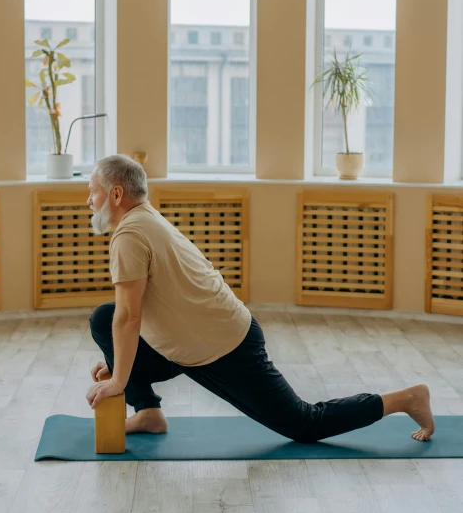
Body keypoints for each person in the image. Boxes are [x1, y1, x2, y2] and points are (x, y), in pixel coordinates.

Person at [85, 154, 435, 443]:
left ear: (117, 195)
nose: (89, 201)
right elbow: (130, 314)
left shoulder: (129, 235)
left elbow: (130, 318)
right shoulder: (145, 219)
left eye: (93, 192)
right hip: (188, 340)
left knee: (304, 424)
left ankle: (406, 398)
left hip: (224, 346)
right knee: (104, 317)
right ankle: (148, 412)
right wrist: (121, 364)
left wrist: (119, 380)